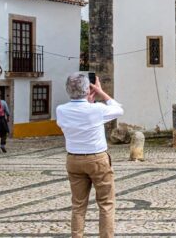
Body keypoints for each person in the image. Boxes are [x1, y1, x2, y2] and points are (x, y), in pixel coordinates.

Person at [56, 73, 123, 238]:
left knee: (78, 205)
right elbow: (118, 109)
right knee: (106, 203)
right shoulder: (97, 109)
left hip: (73, 159)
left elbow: (80, 115)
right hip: (97, 159)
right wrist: (100, 91)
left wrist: (88, 101)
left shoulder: (61, 110)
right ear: (88, 89)